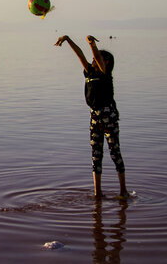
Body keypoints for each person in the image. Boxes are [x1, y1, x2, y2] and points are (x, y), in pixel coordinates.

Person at [54, 35, 129, 198]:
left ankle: (123, 191)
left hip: (109, 115)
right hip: (94, 116)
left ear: (106, 62)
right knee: (96, 156)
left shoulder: (105, 73)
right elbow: (80, 55)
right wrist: (67, 39)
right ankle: (98, 193)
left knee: (114, 152)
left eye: (99, 58)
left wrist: (92, 44)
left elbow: (95, 55)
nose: (94, 60)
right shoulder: (89, 71)